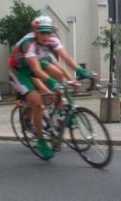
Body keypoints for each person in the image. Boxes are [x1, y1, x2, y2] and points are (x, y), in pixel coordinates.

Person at [8, 15, 96, 159]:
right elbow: (36, 71)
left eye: (48, 32)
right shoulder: (28, 44)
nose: (46, 36)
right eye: (42, 33)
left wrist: (81, 71)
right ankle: (42, 141)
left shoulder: (51, 41)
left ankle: (62, 111)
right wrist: (52, 83)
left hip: (38, 64)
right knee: (36, 102)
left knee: (59, 76)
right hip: (20, 71)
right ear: (35, 32)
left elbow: (65, 58)